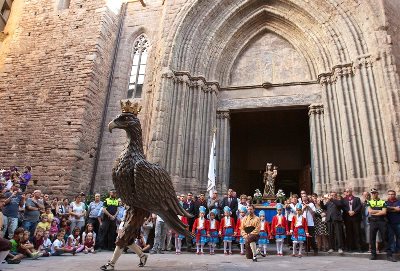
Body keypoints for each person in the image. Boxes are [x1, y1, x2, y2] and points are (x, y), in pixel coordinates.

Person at [367, 188, 394, 261]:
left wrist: (375, 212)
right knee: (372, 238)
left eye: (375, 193)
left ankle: (389, 256)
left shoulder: (383, 202)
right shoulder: (369, 202)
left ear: (377, 193)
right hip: (373, 222)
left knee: (385, 238)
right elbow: (370, 211)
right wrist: (379, 210)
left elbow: (384, 212)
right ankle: (373, 255)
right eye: (372, 193)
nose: (373, 194)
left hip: (381, 221)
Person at [386, 189, 400, 260]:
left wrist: (390, 209)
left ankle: (398, 250)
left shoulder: (398, 201)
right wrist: (395, 208)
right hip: (389, 223)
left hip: (398, 222)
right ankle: (392, 251)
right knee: (391, 238)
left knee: (399, 237)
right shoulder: (385, 202)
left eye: (392, 194)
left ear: (395, 195)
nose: (391, 195)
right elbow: (385, 209)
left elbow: (399, 210)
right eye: (390, 194)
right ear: (388, 195)